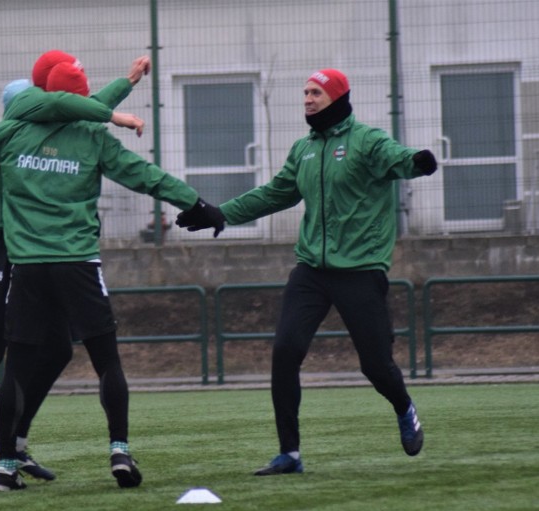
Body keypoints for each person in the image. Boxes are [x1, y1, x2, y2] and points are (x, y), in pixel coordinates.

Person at [0, 52, 218, 491]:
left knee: (16, 365)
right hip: (78, 263)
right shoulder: (93, 138)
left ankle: (6, 467)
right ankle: (119, 450)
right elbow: (144, 175)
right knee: (106, 359)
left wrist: (124, 85)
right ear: (77, 99)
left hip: (27, 266)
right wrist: (197, 202)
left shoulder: (13, 134)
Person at [177, 68, 437, 475]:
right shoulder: (304, 150)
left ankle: (405, 408)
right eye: (305, 93)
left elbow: (396, 159)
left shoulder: (366, 141)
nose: (307, 99)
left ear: (336, 97)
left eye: (315, 92)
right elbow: (272, 194)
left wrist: (417, 162)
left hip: (360, 269)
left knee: (375, 364)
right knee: (285, 351)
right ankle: (290, 455)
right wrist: (220, 213)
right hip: (311, 270)